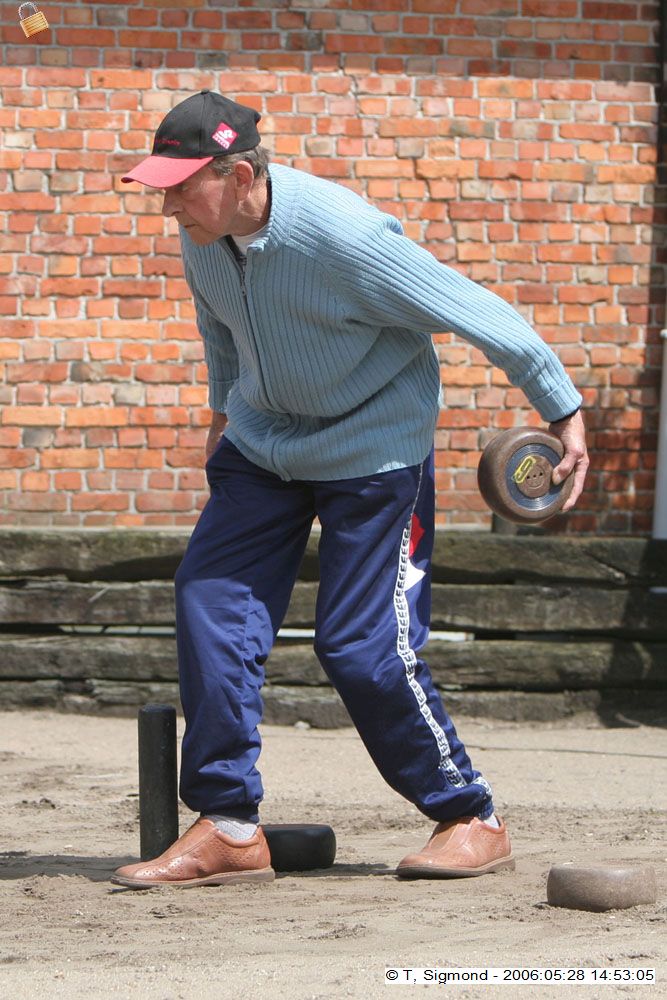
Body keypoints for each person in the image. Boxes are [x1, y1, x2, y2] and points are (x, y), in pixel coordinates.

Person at [111, 90, 589, 889]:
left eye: (181, 188)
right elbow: (218, 330)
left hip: (373, 452)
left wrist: (562, 408)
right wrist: (223, 415)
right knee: (209, 601)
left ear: (239, 175)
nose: (167, 206)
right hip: (263, 445)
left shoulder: (346, 238)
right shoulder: (205, 235)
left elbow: (474, 310)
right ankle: (229, 826)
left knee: (359, 646)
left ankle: (469, 815)